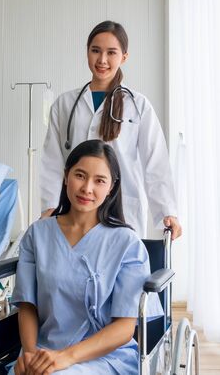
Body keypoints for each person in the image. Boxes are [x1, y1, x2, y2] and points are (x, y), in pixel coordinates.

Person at [9, 140, 163, 375]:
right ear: (65, 176)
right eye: (80, 175)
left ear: (111, 187)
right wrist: (29, 355)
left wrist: (65, 358)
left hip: (106, 357)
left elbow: (124, 327)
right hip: (43, 350)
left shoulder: (126, 244)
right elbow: (27, 305)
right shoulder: (38, 234)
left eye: (99, 180)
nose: (87, 188)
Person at [40, 20, 182, 240]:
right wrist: (50, 206)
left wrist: (167, 211)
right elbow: (52, 162)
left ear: (124, 57)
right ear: (87, 52)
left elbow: (155, 161)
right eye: (95, 50)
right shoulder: (65, 104)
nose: (102, 60)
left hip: (123, 210)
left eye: (111, 53)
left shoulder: (137, 105)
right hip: (75, 209)